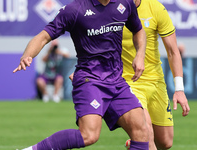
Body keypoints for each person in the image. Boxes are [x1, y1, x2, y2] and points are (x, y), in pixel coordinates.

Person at [13, 0, 149, 149]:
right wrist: (27, 55)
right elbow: (43, 36)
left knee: (142, 133)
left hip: (117, 81)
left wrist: (140, 55)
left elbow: (138, 29)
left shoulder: (125, 3)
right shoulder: (75, 9)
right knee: (89, 136)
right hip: (90, 80)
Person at [122, 0, 190, 149]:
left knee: (165, 142)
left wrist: (179, 89)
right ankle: (140, 142)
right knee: (146, 134)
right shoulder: (113, 9)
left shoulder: (156, 8)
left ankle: (135, 144)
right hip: (127, 82)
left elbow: (173, 51)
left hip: (156, 82)